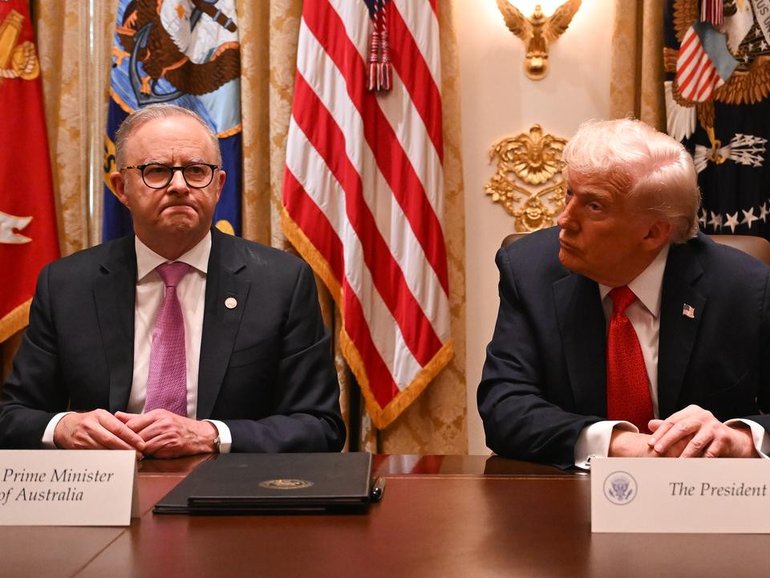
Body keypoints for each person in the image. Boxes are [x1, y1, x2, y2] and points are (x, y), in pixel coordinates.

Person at [0, 104, 345, 457]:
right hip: (107, 486)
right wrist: (64, 427)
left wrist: (211, 435)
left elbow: (320, 426)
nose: (179, 186)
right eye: (157, 171)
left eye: (196, 171)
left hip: (228, 486)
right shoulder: (67, 286)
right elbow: (12, 417)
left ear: (218, 186)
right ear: (121, 188)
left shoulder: (281, 283)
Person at [478, 118, 770, 469]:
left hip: (705, 493)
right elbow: (504, 406)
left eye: (594, 206)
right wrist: (619, 444)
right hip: (570, 494)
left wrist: (740, 439)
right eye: (570, 193)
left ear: (653, 233)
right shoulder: (529, 271)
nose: (564, 220)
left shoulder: (744, 287)